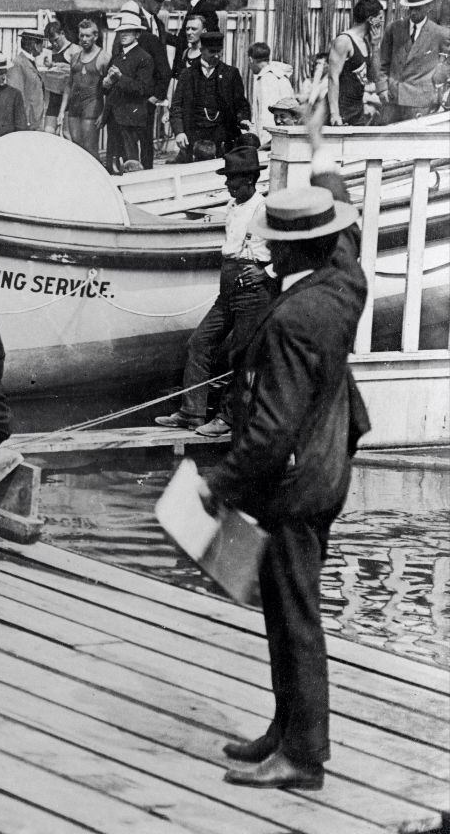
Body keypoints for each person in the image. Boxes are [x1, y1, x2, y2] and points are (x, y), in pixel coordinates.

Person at [205, 105, 368, 792]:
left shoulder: (293, 318)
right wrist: (320, 148)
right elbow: (346, 221)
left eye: (273, 241)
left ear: (288, 250)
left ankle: (303, 756)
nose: (264, 248)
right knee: (283, 606)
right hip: (331, 466)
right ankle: (285, 728)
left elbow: (270, 432)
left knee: (294, 616)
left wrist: (221, 486)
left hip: (296, 483)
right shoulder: (346, 281)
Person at [155, 146, 274, 435]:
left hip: (253, 291)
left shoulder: (266, 210)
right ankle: (192, 412)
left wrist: (266, 271)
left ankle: (228, 418)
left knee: (241, 355)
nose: (227, 185)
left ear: (248, 180)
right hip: (229, 287)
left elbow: (292, 249)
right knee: (199, 342)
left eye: (231, 179)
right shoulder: (234, 207)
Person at [169, 32, 247, 161]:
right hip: (194, 136)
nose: (216, 55)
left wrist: (243, 118)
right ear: (201, 50)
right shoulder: (187, 74)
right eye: (212, 51)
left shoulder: (231, 73)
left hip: (222, 136)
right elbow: (177, 106)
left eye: (219, 51)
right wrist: (179, 132)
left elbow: (241, 104)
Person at [101, 11, 161, 172]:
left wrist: (120, 77)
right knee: (113, 161)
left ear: (137, 34)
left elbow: (142, 88)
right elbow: (106, 87)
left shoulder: (144, 58)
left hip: (132, 117)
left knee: (130, 161)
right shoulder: (117, 57)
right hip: (115, 116)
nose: (123, 34)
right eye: (121, 31)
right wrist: (106, 84)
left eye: (128, 31)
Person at [379, 0, 448, 122]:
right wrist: (382, 88)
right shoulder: (393, 29)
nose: (413, 12)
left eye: (418, 8)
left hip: (420, 101)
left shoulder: (439, 33)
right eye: (411, 8)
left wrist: (439, 76)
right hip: (393, 99)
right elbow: (383, 63)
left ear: (428, 7)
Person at [326, 0, 382, 126]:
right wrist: (335, 114)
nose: (381, 22)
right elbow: (332, 78)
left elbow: (373, 76)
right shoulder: (344, 41)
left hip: (357, 110)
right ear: (371, 20)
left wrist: (375, 46)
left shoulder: (366, 42)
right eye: (380, 18)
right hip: (340, 111)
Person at [61, 18, 110, 159]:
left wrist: (104, 114)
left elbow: (110, 90)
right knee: (76, 147)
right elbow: (69, 84)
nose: (84, 39)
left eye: (87, 35)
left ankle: (96, 179)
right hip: (75, 106)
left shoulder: (104, 57)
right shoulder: (75, 57)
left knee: (89, 148)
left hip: (92, 106)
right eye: (81, 35)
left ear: (95, 36)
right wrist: (61, 111)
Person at [246, 42, 295, 138]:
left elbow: (266, 115)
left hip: (273, 136)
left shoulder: (266, 79)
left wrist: (264, 142)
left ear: (250, 59)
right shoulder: (281, 75)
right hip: (285, 133)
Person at [12, 31, 47, 129]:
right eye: (41, 44)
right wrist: (24, 119)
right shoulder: (18, 63)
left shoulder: (29, 62)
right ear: (34, 45)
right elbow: (17, 94)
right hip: (27, 121)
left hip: (34, 120)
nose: (42, 48)